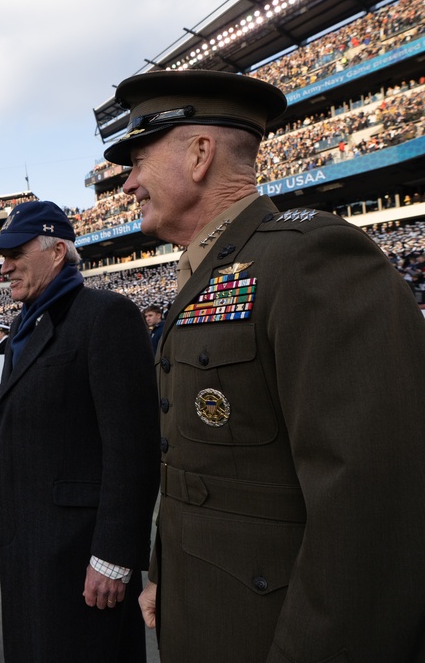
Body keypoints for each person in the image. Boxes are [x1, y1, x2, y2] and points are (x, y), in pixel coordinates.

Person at [102, 69, 425, 662]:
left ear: (199, 154)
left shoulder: (308, 258)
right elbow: (194, 471)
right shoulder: (208, 273)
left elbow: (369, 511)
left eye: (139, 161)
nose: (128, 185)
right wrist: (164, 570)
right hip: (203, 615)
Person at [0, 201, 160, 662]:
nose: (5, 267)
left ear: (57, 252)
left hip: (80, 554)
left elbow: (132, 447)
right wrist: (7, 507)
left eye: (16, 253)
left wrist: (114, 555)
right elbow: (19, 431)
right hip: (27, 539)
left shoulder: (106, 315)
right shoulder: (24, 324)